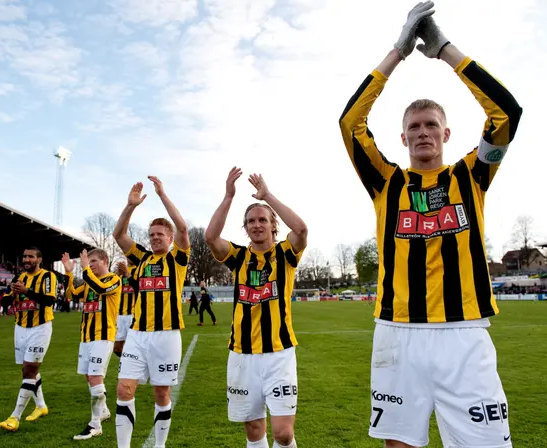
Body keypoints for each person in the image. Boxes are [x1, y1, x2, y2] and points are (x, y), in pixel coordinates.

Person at [338, 2, 522, 447]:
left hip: (465, 334)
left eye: (431, 125)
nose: (423, 132)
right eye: (414, 126)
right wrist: (397, 53)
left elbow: (507, 113)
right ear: (402, 137)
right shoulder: (385, 182)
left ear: (446, 134)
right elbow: (350, 123)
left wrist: (444, 49)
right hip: (398, 333)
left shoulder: (473, 174)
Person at [205, 168, 308, 448]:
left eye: (263, 219)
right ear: (246, 227)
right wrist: (228, 196)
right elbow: (211, 238)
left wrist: (268, 197)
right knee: (253, 429)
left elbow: (300, 229)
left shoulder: (285, 253)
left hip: (279, 353)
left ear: (273, 225)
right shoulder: (238, 257)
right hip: (242, 354)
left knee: (284, 434)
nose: (257, 224)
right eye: (251, 221)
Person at [112, 176, 190, 448]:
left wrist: (162, 195)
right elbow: (119, 235)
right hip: (137, 334)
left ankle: (159, 445)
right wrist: (130, 206)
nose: (155, 238)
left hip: (166, 336)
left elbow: (182, 226)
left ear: (170, 239)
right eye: (152, 234)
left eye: (161, 235)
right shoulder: (142, 258)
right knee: (124, 390)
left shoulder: (177, 258)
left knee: (161, 393)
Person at [63, 248, 121, 440]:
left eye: (95, 261)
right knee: (89, 376)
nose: (91, 264)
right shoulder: (89, 283)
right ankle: (103, 411)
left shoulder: (113, 280)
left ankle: (95, 425)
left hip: (103, 336)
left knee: (96, 376)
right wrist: (69, 272)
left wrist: (85, 269)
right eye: (90, 262)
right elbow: (71, 294)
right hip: (86, 337)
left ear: (105, 261)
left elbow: (101, 289)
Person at [0, 247, 57, 431]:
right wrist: (13, 295)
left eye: (31, 256)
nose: (27, 259)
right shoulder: (17, 278)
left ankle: (14, 417)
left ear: (39, 259)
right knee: (29, 369)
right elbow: (5, 303)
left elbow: (49, 300)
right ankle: (41, 406)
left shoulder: (48, 276)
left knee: (29, 369)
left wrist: (27, 291)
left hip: (40, 328)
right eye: (24, 256)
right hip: (20, 328)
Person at [114, 259, 137, 358]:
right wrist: (118, 274)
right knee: (116, 348)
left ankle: (133, 366)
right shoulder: (120, 272)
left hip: (133, 314)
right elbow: (111, 286)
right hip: (119, 315)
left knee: (133, 346)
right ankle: (127, 363)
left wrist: (127, 273)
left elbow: (139, 287)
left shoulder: (138, 269)